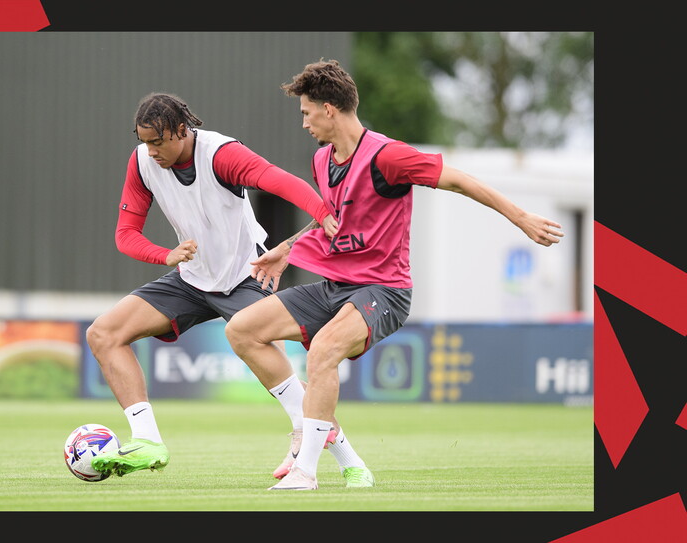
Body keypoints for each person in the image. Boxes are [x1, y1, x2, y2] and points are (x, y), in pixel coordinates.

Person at [225, 59, 565, 490]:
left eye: (307, 112)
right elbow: (328, 220)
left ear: (330, 109)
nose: (305, 123)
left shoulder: (388, 156)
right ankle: (328, 438)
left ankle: (305, 471)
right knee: (242, 330)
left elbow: (458, 180)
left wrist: (520, 217)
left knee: (323, 352)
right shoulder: (319, 161)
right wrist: (285, 250)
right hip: (336, 285)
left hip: (384, 290)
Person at [86, 92, 371, 486]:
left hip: (245, 275)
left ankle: (350, 461)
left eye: (158, 142)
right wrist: (164, 255)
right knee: (103, 334)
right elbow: (125, 234)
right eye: (144, 141)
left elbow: (279, 180)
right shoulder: (141, 163)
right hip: (189, 278)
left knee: (287, 389)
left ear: (183, 131)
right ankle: (148, 441)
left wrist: (322, 213)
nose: (150, 151)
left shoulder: (220, 154)